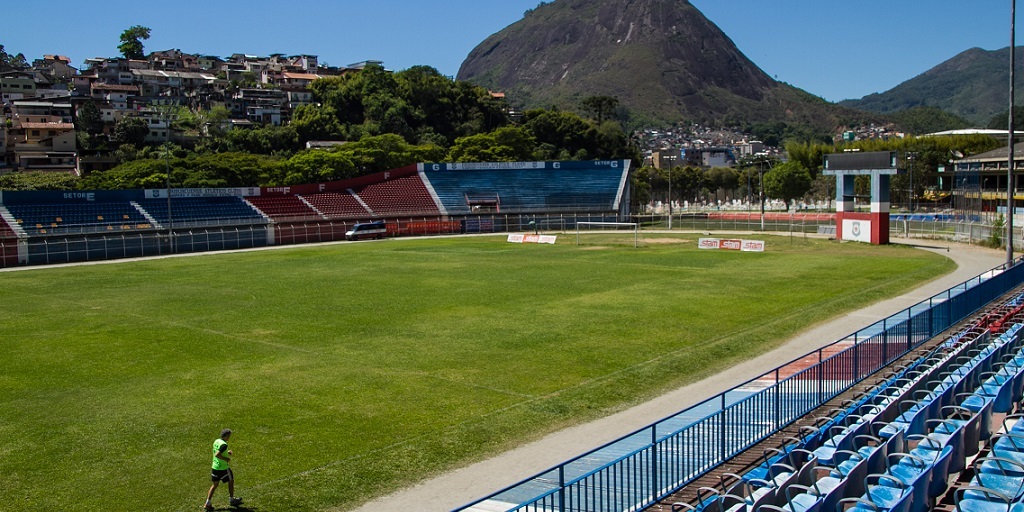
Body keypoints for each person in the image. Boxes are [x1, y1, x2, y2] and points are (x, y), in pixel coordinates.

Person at [205, 428, 243, 510]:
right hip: (223, 468)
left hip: (214, 467)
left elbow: (217, 450)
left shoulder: (217, 441)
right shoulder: (224, 445)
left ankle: (207, 503)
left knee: (214, 485)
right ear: (225, 436)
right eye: (229, 436)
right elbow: (217, 454)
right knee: (231, 480)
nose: (229, 438)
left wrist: (227, 452)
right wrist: (226, 459)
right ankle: (232, 500)